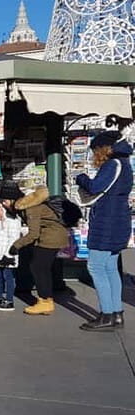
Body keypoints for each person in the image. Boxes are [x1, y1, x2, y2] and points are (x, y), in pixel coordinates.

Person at [76, 131, 133, 331]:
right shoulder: (124, 163)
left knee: (96, 266)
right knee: (110, 267)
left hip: (107, 222)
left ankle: (107, 314)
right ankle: (117, 314)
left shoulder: (112, 164)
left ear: (103, 149)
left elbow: (95, 187)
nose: (94, 155)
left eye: (95, 151)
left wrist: (81, 178)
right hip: (119, 220)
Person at [8, 186, 69, 315]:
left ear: (12, 200)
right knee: (41, 268)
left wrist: (16, 245)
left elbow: (33, 233)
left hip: (51, 238)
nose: (4, 204)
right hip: (51, 236)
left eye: (5, 201)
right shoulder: (31, 205)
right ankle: (46, 299)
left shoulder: (31, 208)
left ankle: (45, 301)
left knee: (38, 267)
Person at [0, 181, 26, 312]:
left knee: (8, 278)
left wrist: (8, 255)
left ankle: (9, 300)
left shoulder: (12, 222)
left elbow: (13, 239)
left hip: (7, 256)